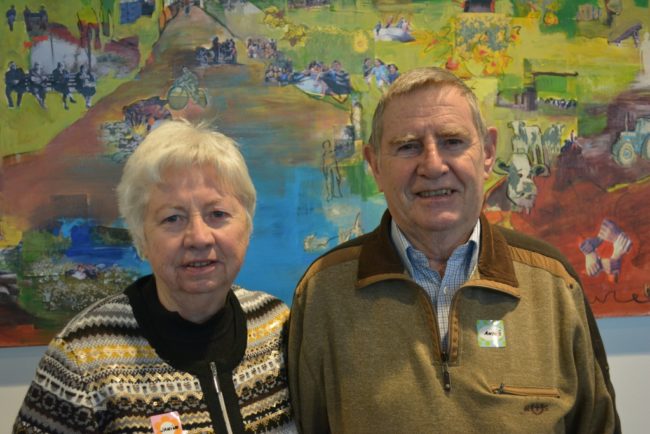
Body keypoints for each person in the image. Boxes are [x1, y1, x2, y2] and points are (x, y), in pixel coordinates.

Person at [287, 67, 620, 433]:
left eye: (452, 141)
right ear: (375, 165)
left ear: (488, 152)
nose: (433, 165)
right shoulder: (323, 293)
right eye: (408, 146)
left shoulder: (553, 284)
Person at [14, 120, 296, 433]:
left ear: (246, 225)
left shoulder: (278, 328)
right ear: (142, 237)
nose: (199, 238)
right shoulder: (81, 359)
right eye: (172, 218)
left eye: (217, 214)